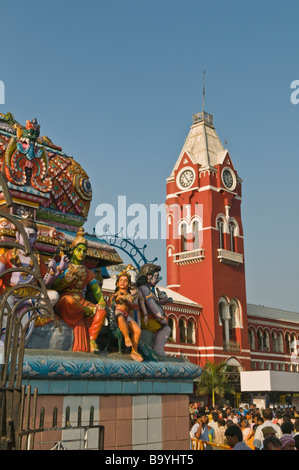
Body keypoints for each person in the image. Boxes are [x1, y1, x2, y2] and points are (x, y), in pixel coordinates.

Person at [0, 216, 67, 344]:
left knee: (53, 295)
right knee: (6, 301)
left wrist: (57, 270)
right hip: (12, 294)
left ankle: (26, 304)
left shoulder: (37, 258)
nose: (27, 238)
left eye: (31, 235)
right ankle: (5, 336)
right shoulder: (9, 255)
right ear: (17, 235)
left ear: (35, 238)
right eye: (24, 234)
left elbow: (45, 282)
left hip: (32, 296)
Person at [53, 228, 106, 353]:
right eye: (79, 250)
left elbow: (95, 288)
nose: (82, 253)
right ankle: (84, 311)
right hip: (65, 299)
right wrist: (65, 281)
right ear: (73, 251)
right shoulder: (64, 266)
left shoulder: (88, 272)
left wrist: (102, 301)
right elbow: (53, 286)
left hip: (80, 300)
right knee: (71, 302)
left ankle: (92, 339)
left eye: (84, 250)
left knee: (101, 311)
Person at [136, 263, 171, 356]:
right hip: (146, 319)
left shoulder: (147, 289)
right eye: (156, 277)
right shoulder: (145, 289)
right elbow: (151, 304)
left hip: (147, 318)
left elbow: (154, 303)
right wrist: (160, 318)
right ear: (149, 276)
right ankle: (158, 350)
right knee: (166, 329)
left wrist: (163, 301)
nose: (158, 280)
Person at [109, 270, 143, 362]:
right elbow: (111, 301)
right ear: (117, 284)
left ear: (128, 284)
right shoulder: (115, 294)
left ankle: (134, 350)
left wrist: (126, 301)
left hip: (127, 315)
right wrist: (116, 299)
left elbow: (132, 305)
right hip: (118, 313)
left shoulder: (130, 296)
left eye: (125, 281)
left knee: (137, 330)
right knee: (120, 317)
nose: (123, 282)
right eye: (121, 280)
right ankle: (127, 338)